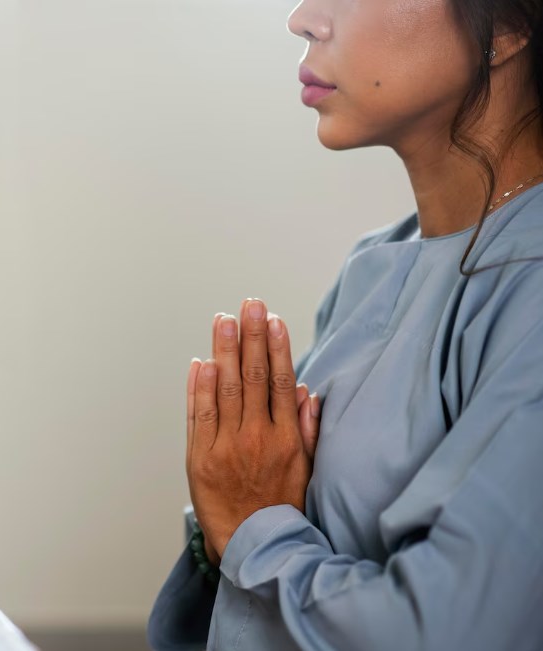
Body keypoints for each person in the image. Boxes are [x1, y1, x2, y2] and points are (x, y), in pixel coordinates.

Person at [148, 0, 543, 649]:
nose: (302, 18)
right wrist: (228, 523)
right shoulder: (373, 266)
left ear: (507, 25)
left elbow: (453, 629)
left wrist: (250, 528)